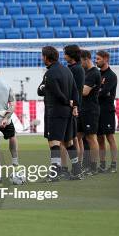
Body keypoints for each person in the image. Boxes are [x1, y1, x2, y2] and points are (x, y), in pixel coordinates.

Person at [37, 46, 79, 181]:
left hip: (55, 110)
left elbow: (55, 92)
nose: (41, 58)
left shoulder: (50, 74)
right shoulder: (67, 71)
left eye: (42, 56)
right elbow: (75, 90)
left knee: (53, 142)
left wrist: (67, 102)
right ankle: (77, 170)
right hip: (67, 112)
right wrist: (74, 105)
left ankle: (55, 173)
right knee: (68, 141)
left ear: (46, 57)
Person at [61, 45, 85, 180]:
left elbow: (76, 90)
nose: (64, 56)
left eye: (65, 54)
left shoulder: (77, 70)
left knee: (71, 139)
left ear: (70, 55)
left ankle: (75, 167)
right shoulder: (73, 69)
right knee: (74, 138)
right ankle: (77, 167)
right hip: (72, 107)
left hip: (72, 107)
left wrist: (74, 105)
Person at [78, 50, 101, 175]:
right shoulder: (86, 72)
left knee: (91, 138)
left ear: (86, 59)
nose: (80, 63)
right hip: (82, 109)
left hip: (90, 110)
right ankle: (80, 164)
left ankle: (93, 167)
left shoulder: (93, 73)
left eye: (81, 61)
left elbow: (84, 92)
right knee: (77, 137)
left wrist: (72, 88)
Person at [96, 50, 118, 173]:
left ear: (105, 59)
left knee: (110, 137)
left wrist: (97, 90)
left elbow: (104, 93)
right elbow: (98, 91)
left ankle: (114, 165)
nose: (96, 61)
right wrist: (98, 89)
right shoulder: (97, 74)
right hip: (97, 110)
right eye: (96, 58)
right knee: (100, 138)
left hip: (107, 110)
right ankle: (103, 164)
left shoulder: (111, 75)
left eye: (98, 59)